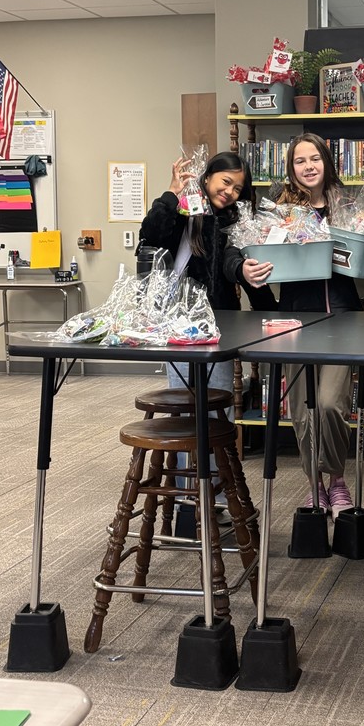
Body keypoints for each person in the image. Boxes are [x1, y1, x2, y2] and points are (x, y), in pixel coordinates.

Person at [274, 133, 364, 519]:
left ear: (327, 162)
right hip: (295, 321)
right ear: (291, 168)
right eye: (300, 160)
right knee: (301, 412)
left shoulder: (350, 207)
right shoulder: (280, 212)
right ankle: (314, 487)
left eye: (314, 158)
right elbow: (265, 261)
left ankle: (336, 479)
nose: (308, 166)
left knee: (330, 405)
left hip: (343, 318)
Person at [138, 151, 276, 499]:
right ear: (209, 176)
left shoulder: (233, 222)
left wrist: (273, 312)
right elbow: (151, 233)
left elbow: (239, 265)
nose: (230, 192)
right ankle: (188, 498)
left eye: (238, 188)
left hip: (215, 324)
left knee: (217, 409)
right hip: (172, 321)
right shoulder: (181, 208)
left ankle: (212, 497)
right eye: (225, 182)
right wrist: (171, 192)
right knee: (184, 407)